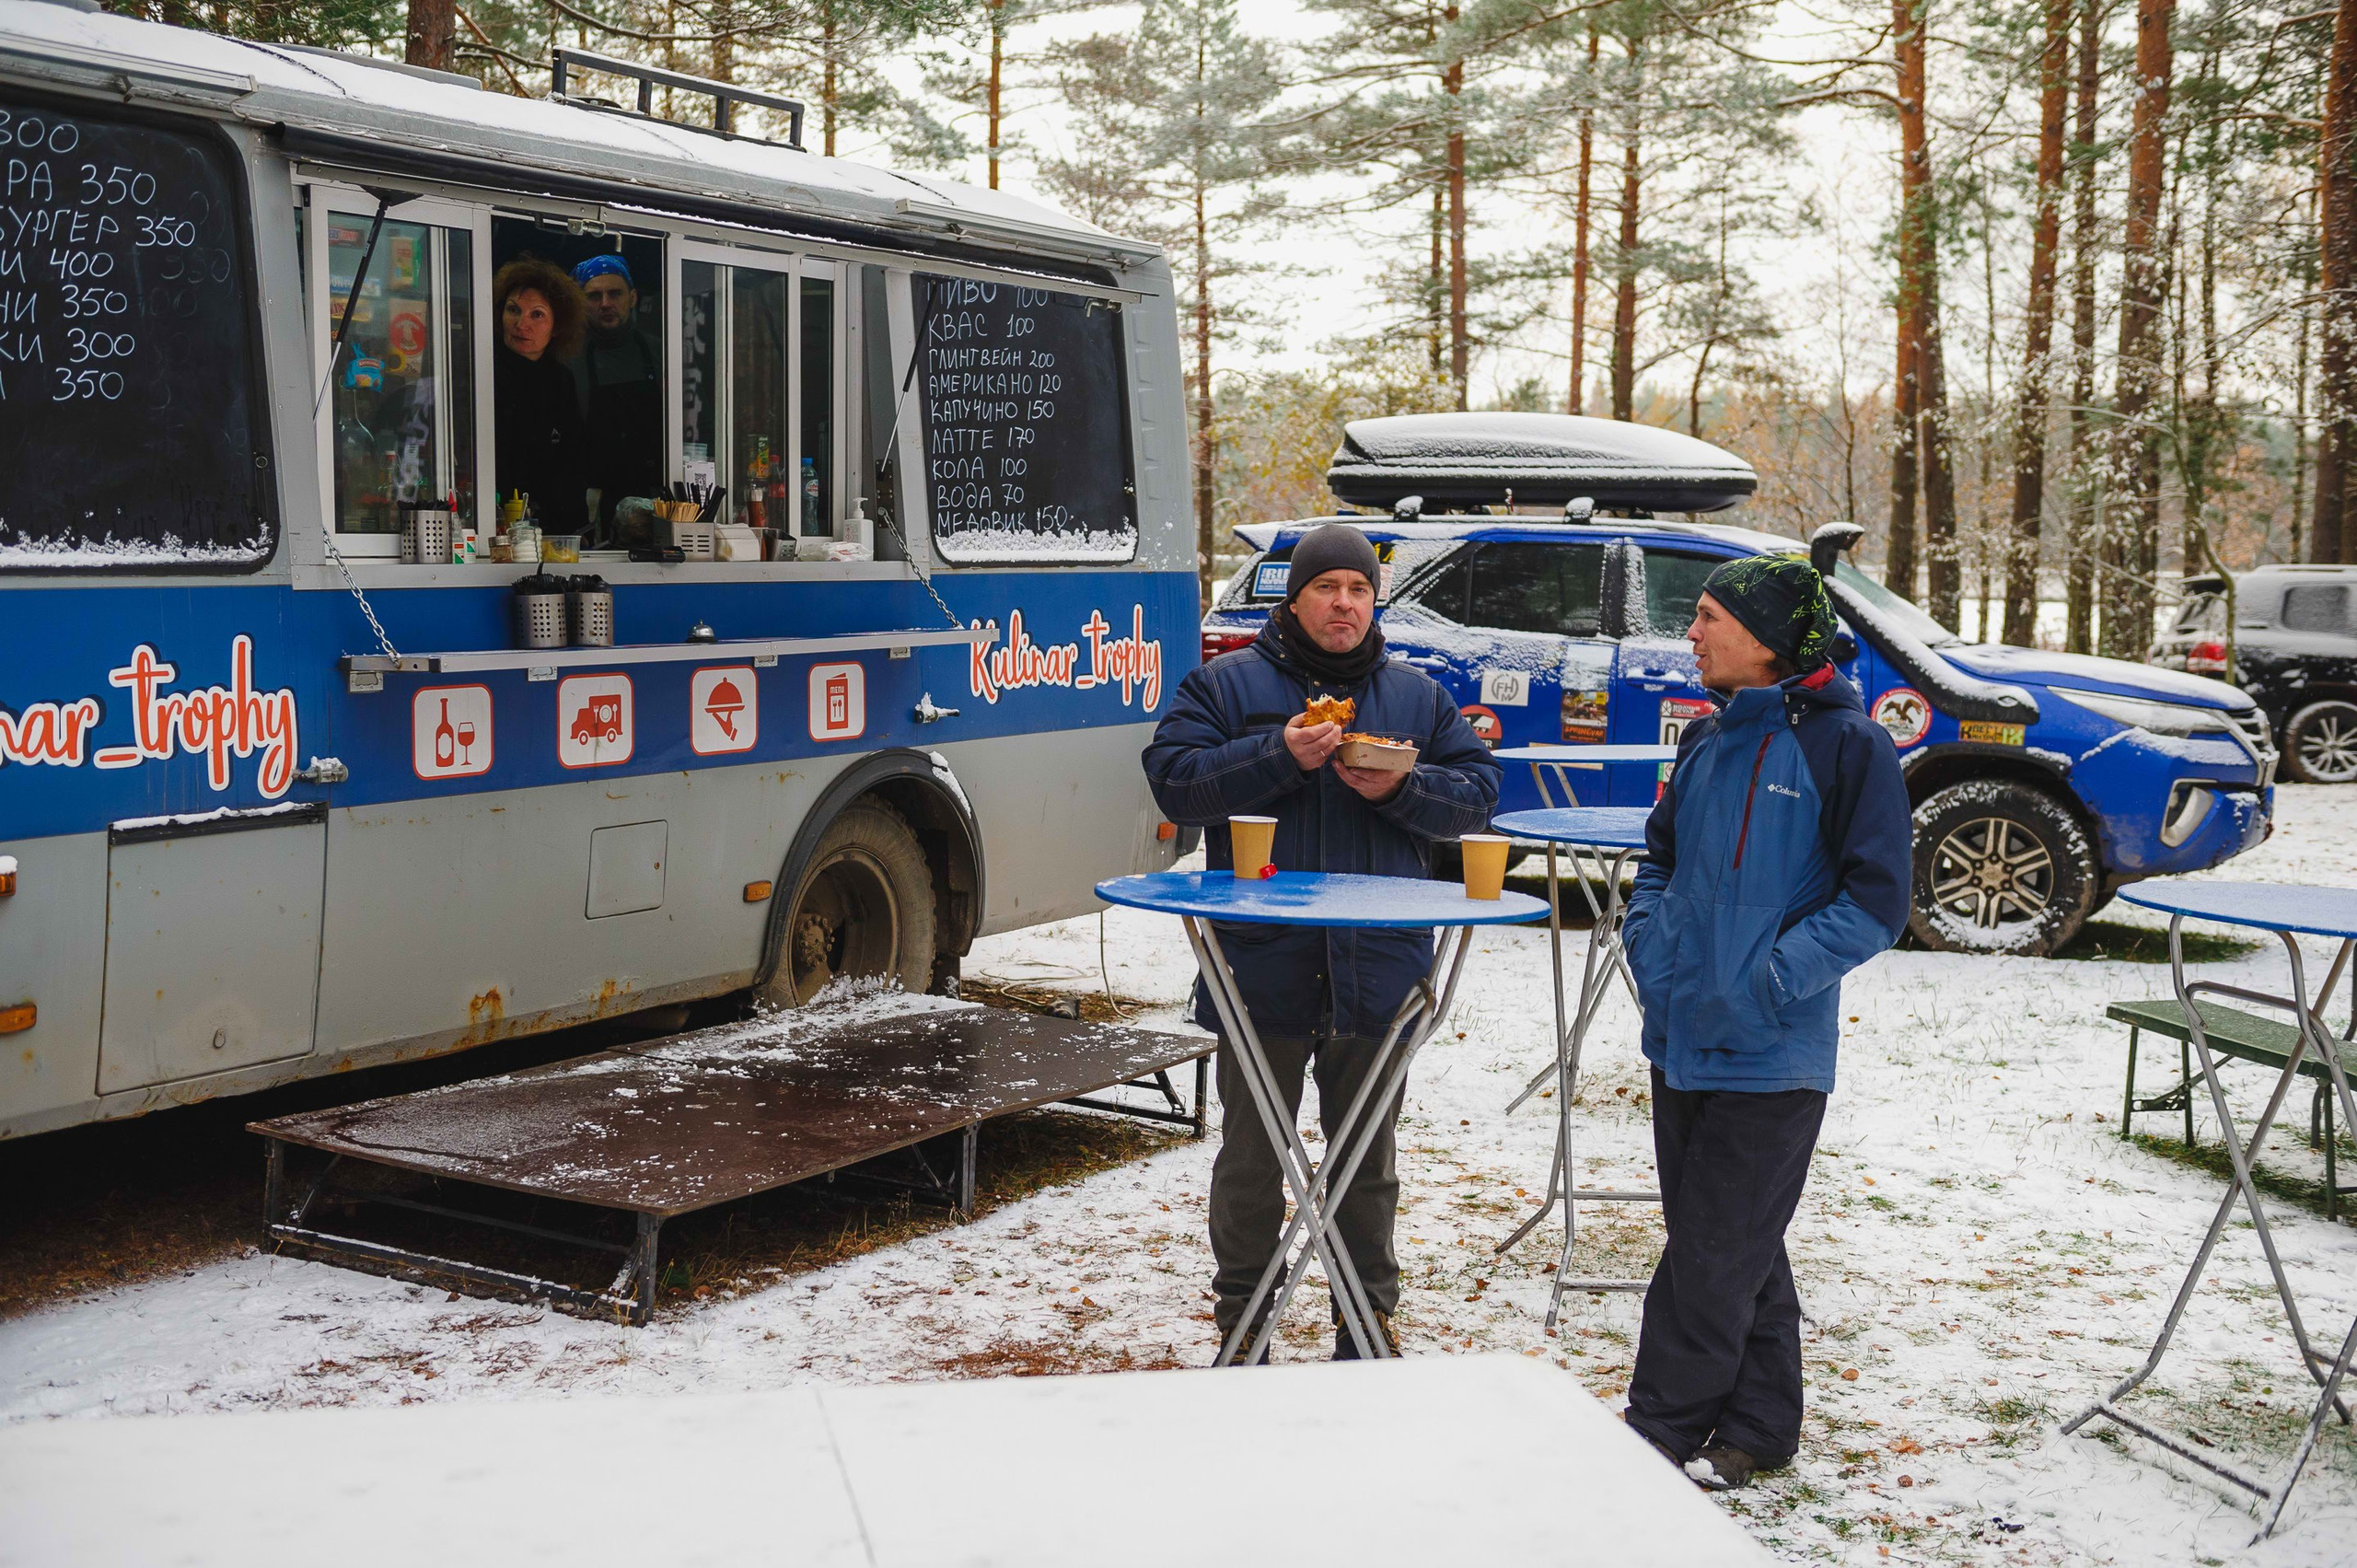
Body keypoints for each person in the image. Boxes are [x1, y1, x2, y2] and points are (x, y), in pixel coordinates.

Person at [1143, 523, 1501, 1363]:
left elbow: (1478, 794)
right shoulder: (1227, 685)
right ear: (1293, 599)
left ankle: (1365, 1326)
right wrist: (1278, 754)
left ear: (1374, 602)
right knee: (1252, 1155)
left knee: (1366, 1160)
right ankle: (1245, 1323)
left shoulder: (1417, 697)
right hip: (1257, 965)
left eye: (1360, 590)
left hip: (1378, 965)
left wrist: (1402, 784)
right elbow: (1173, 781)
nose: (1344, 603)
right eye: (1327, 588)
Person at [1617, 553, 1911, 1490]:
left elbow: (1876, 900)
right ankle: (1761, 1426)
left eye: (1706, 617)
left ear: (1769, 640)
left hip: (1772, 1051)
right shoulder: (1704, 740)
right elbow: (1656, 858)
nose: (1691, 634)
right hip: (1681, 1037)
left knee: (1709, 1249)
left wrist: (1771, 977)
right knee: (1739, 1241)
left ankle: (1656, 1430)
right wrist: (1650, 946)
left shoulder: (1846, 745)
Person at [493, 256, 589, 535]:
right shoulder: (484, 369)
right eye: (513, 310)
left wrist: (577, 532)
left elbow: (572, 463)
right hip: (498, 526)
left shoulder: (562, 380)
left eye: (537, 314)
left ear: (557, 326)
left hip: (556, 532)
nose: (521, 324)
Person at [569, 254, 663, 539]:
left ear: (633, 297)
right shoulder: (568, 359)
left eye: (615, 293)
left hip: (657, 504)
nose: (606, 303)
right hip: (593, 509)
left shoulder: (662, 352)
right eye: (594, 296)